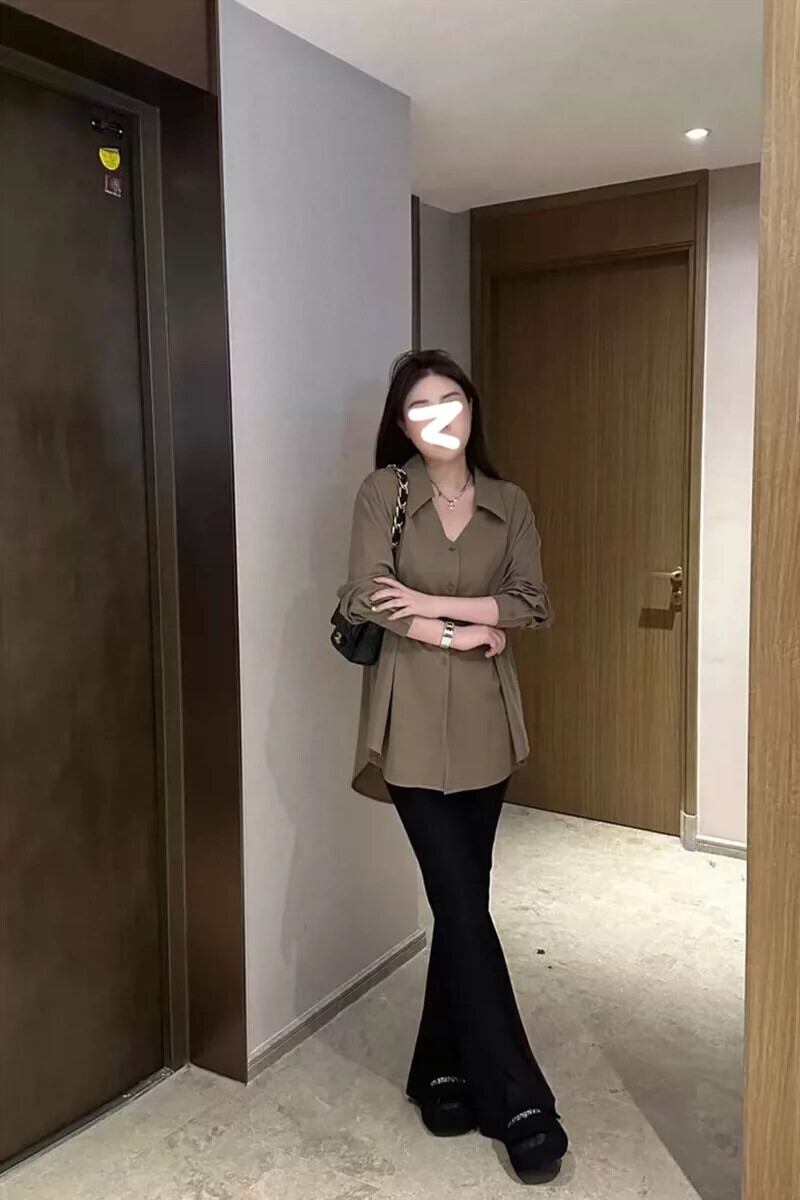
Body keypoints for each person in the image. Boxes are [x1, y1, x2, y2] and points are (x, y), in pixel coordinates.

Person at [336, 349, 568, 1182]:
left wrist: (434, 603)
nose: (438, 417)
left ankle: (438, 1070)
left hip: (486, 730)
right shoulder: (384, 493)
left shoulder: (511, 502)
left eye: (451, 400)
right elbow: (366, 595)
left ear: (471, 407)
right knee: (463, 905)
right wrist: (460, 632)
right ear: (402, 425)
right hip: (406, 727)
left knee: (462, 902)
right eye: (419, 407)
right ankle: (518, 1096)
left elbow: (532, 603)